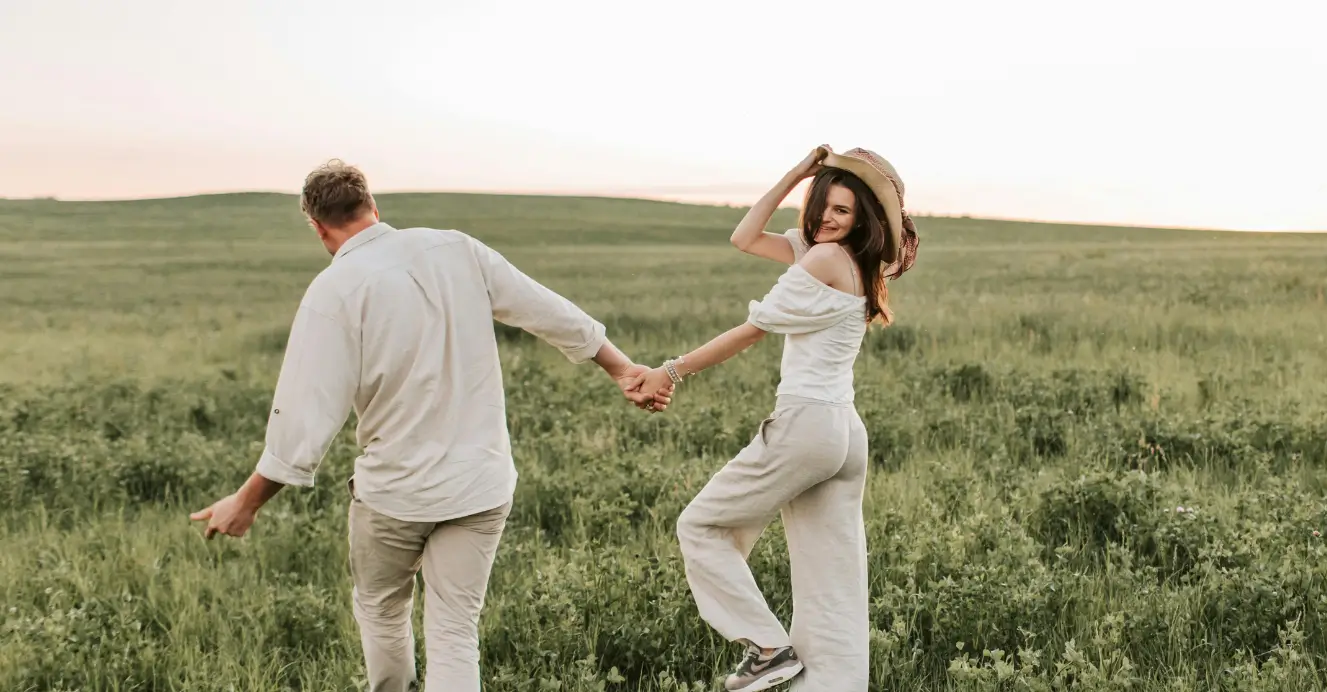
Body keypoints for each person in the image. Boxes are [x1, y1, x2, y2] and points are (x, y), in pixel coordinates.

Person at [188, 159, 670, 692]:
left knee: (381, 608)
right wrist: (621, 367)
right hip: (481, 485)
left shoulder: (334, 291)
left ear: (318, 227)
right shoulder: (457, 249)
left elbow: (304, 415)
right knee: (455, 630)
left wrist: (248, 502)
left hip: (395, 493)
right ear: (374, 207)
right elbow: (547, 310)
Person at [634, 145, 920, 691]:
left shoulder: (820, 261)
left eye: (843, 211)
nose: (829, 219)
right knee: (830, 586)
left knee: (701, 526)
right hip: (843, 433)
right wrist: (795, 176)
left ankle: (768, 650)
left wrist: (670, 371)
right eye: (824, 205)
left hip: (806, 426)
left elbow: (753, 330)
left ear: (862, 219)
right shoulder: (848, 259)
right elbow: (744, 237)